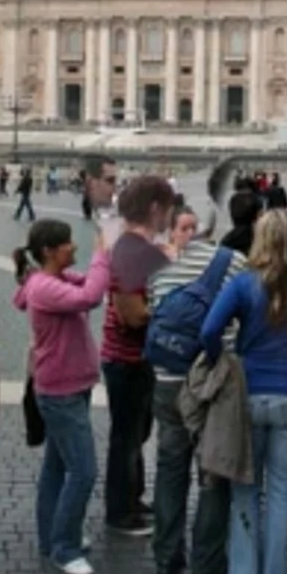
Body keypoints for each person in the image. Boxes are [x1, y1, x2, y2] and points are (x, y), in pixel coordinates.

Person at [200, 209, 287, 574]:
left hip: (248, 396)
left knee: (245, 490)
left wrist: (221, 360)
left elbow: (208, 331)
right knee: (283, 493)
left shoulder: (243, 284)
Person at [12, 218, 110, 574]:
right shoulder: (43, 288)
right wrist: (103, 254)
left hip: (71, 387)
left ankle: (51, 536)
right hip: (62, 392)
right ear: (49, 252)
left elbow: (86, 284)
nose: (75, 246)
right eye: (68, 243)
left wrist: (102, 264)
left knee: (56, 467)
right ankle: (65, 548)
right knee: (83, 471)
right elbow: (91, 296)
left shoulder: (50, 280)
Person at [149, 199, 240, 574]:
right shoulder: (234, 262)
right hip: (212, 384)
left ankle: (167, 556)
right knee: (213, 473)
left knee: (170, 470)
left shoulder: (156, 268)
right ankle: (207, 563)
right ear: (211, 230)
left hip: (167, 380)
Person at [103, 173, 171, 538]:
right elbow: (132, 313)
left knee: (135, 433)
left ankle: (132, 496)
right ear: (155, 208)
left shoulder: (132, 248)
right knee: (126, 436)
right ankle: (120, 511)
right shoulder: (135, 251)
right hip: (127, 357)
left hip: (132, 358)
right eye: (167, 210)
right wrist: (168, 310)